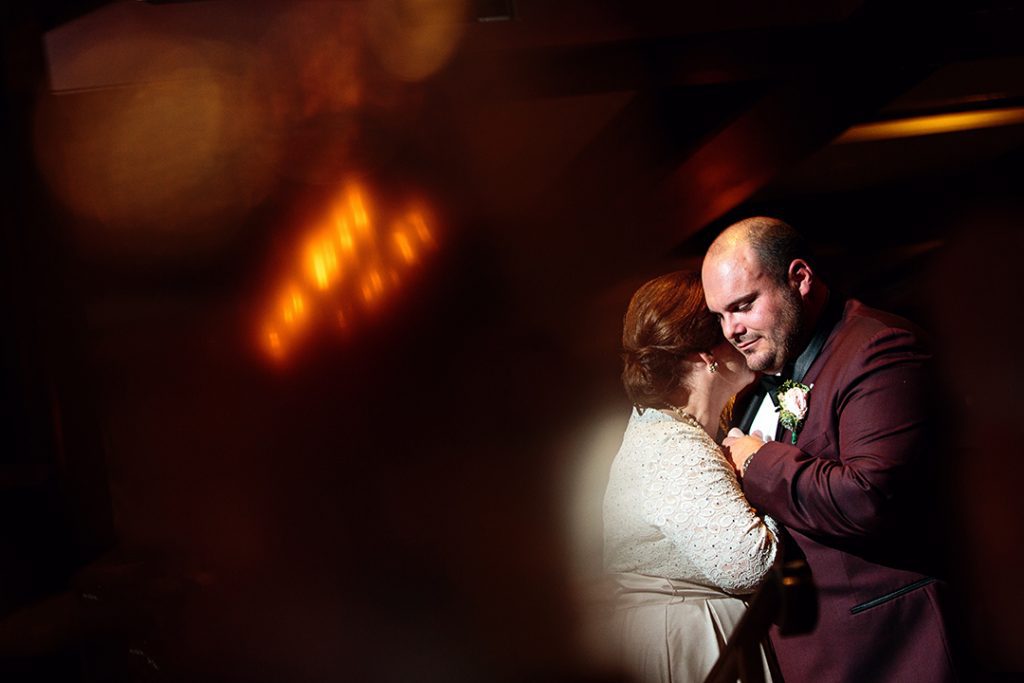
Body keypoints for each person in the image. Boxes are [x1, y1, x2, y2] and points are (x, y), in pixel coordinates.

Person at [701, 216, 958, 682]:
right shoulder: (765, 377)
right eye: (721, 315)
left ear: (800, 278)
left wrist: (757, 460)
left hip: (889, 647)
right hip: (808, 652)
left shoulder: (879, 347)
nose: (731, 330)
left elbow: (868, 497)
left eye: (742, 306)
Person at [602, 270, 779, 683]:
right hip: (687, 640)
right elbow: (750, 564)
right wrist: (765, 465)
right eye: (723, 318)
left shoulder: (674, 430)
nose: (741, 330)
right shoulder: (672, 445)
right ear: (705, 354)